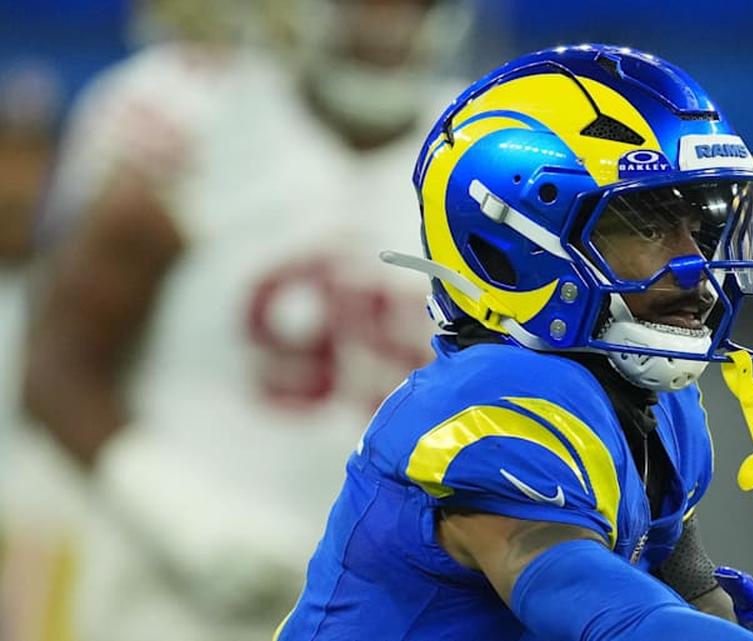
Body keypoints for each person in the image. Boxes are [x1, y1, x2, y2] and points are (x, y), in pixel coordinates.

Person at [277, 44, 753, 641]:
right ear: (512, 244)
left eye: (697, 228)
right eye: (646, 226)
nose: (694, 266)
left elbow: (684, 590)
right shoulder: (494, 402)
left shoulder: (654, 407)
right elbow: (596, 609)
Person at [22, 1, 465, 639]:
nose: (386, 17)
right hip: (167, 599)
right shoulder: (191, 110)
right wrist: (183, 513)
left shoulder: (477, 152)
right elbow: (57, 365)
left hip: (383, 605)